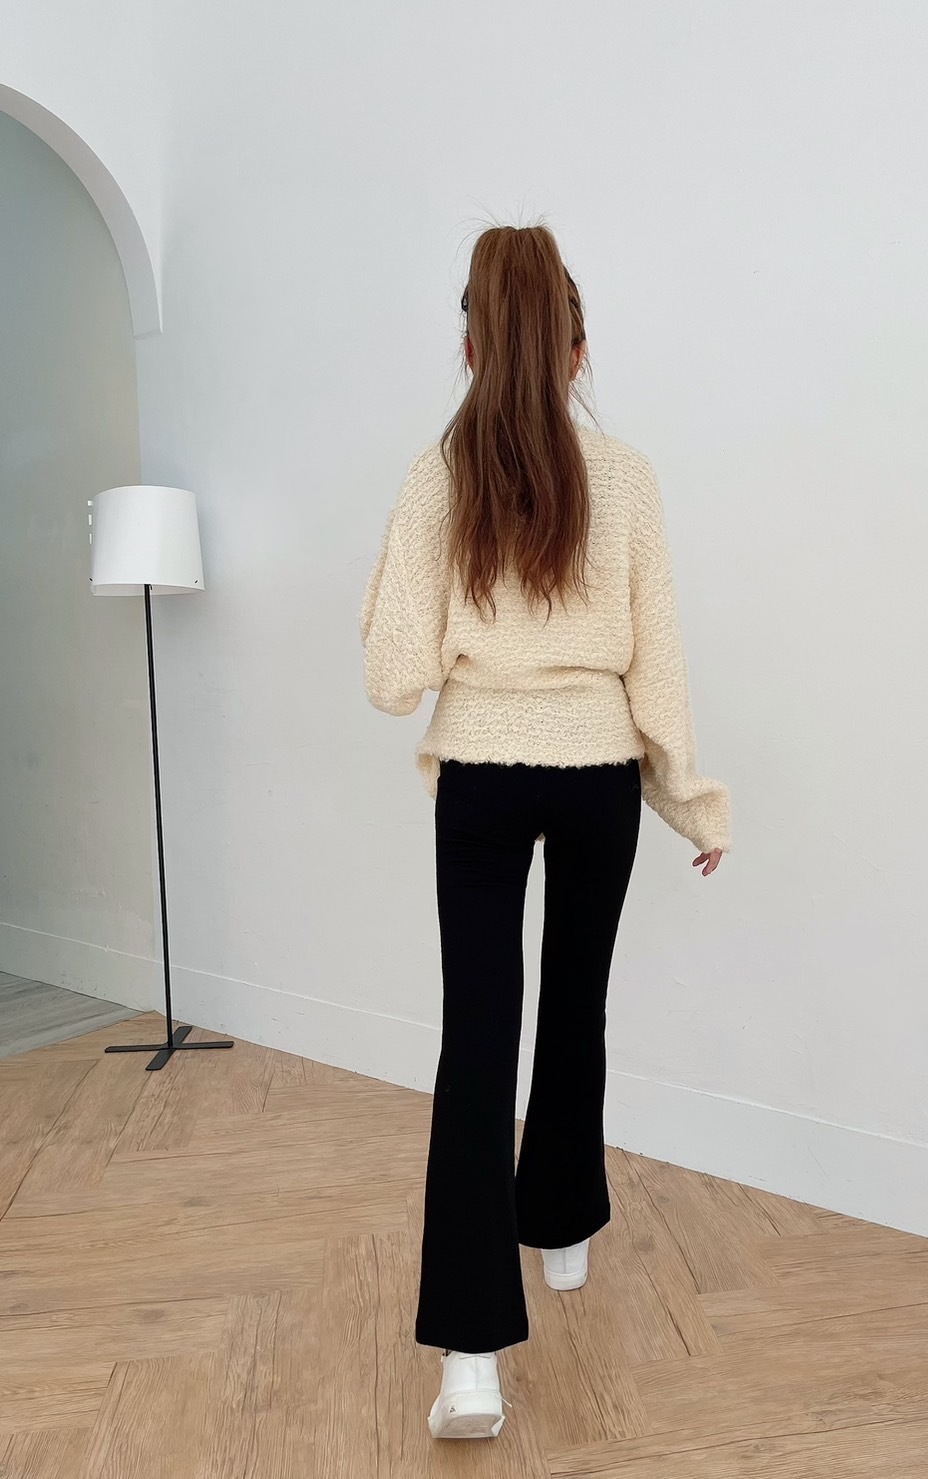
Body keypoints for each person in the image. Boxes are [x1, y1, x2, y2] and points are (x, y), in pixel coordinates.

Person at [358, 222, 731, 1441]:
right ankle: (560, 1227)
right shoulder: (626, 477)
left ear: (471, 347)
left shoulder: (437, 475)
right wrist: (687, 796)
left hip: (479, 776)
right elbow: (657, 659)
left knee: (479, 1040)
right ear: (577, 351)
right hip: (596, 781)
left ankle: (470, 1362)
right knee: (575, 1005)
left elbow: (392, 674)